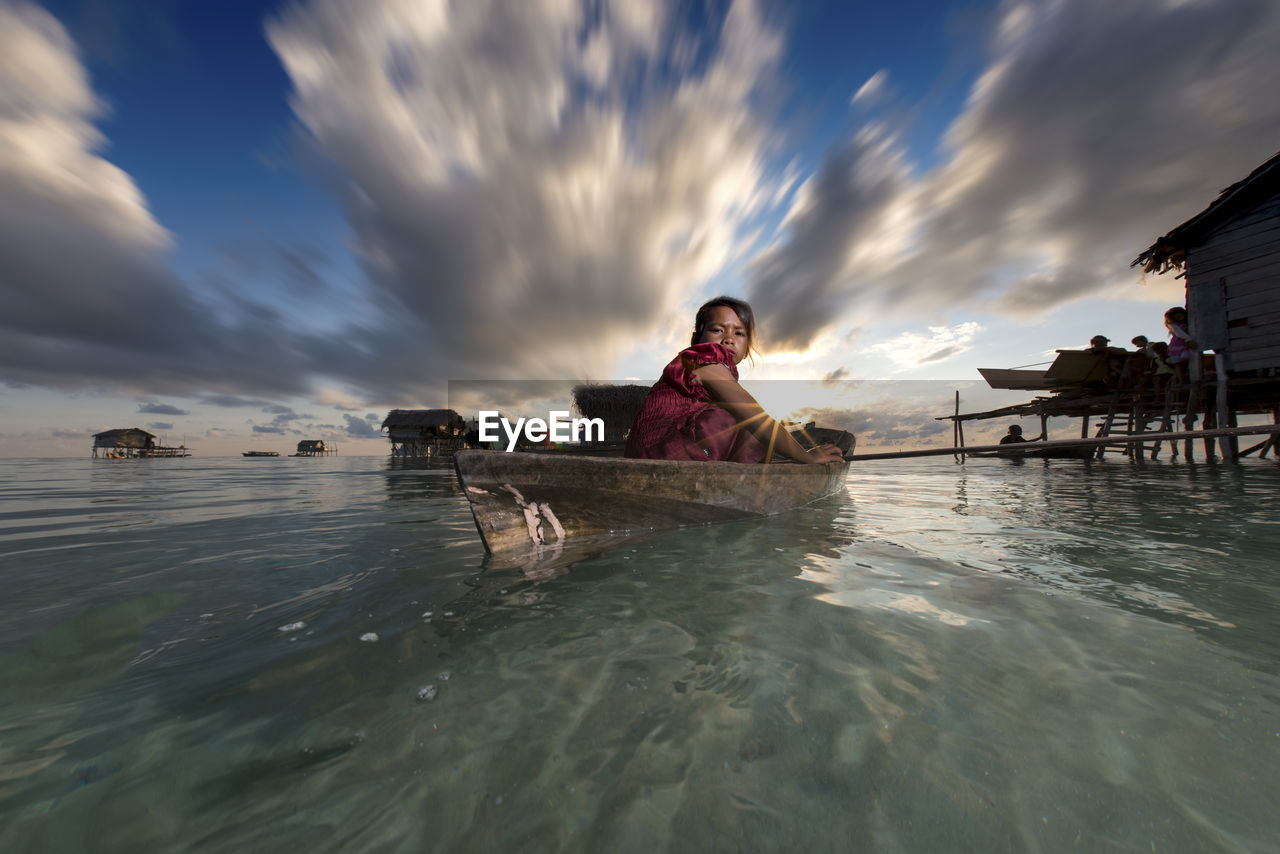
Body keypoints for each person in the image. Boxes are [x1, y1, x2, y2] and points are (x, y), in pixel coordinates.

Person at [625, 296, 844, 464]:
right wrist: (807, 457)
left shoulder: (718, 371)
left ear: (747, 346)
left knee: (747, 427)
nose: (728, 338)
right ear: (696, 339)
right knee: (742, 418)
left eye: (739, 333)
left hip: (659, 453)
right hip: (659, 457)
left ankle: (743, 479)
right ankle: (741, 479)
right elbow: (757, 417)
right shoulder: (704, 360)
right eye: (717, 329)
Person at [1164, 306, 1197, 384]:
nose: (1179, 316)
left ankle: (1185, 376)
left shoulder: (1187, 323)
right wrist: (1189, 340)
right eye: (1176, 315)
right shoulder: (1174, 325)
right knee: (1177, 364)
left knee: (1185, 359)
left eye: (1180, 314)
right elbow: (1180, 333)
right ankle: (1181, 380)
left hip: (1184, 345)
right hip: (1177, 345)